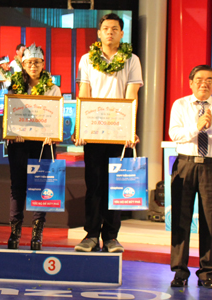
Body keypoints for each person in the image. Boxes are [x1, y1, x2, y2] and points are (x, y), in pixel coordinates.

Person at [73, 13, 143, 253]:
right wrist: (80, 127)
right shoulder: (86, 60)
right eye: (106, 28)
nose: (110, 32)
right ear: (99, 33)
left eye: (115, 28)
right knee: (93, 184)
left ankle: (111, 236)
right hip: (93, 132)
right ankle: (91, 235)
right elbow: (84, 92)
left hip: (119, 132)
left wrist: (130, 129)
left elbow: (132, 95)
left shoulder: (132, 60)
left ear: (122, 34)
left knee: (116, 184)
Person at [169, 65, 212, 289]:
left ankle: (206, 273)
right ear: (190, 82)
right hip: (185, 165)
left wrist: (211, 126)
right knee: (180, 221)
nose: (203, 83)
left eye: (209, 80)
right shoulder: (180, 104)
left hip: (211, 168)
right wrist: (197, 127)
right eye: (199, 79)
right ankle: (179, 272)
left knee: (210, 221)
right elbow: (174, 133)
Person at [6, 44, 61, 251]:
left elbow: (55, 116)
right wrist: (13, 131)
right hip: (19, 143)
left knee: (39, 188)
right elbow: (9, 113)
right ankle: (15, 233)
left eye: (37, 62)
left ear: (43, 64)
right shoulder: (14, 86)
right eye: (29, 62)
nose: (33, 66)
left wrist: (52, 134)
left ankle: (37, 235)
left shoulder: (53, 88)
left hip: (43, 144)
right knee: (17, 188)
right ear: (23, 64)